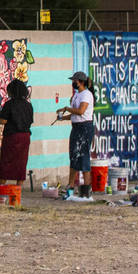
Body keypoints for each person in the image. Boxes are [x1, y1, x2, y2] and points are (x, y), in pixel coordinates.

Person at [58, 71, 95, 199]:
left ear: (81, 82)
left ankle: (86, 188)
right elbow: (75, 115)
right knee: (73, 156)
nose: (73, 83)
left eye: (75, 81)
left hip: (85, 128)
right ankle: (71, 185)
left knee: (83, 156)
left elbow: (80, 111)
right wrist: (63, 118)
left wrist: (67, 108)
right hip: (76, 128)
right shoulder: (76, 95)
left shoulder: (87, 95)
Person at [0, 79, 33, 188]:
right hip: (25, 137)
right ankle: (18, 190)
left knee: (6, 163)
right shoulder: (28, 105)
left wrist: (0, 119)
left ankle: (1, 188)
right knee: (21, 163)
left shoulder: (9, 104)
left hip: (12, 137)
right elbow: (30, 121)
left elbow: (3, 120)